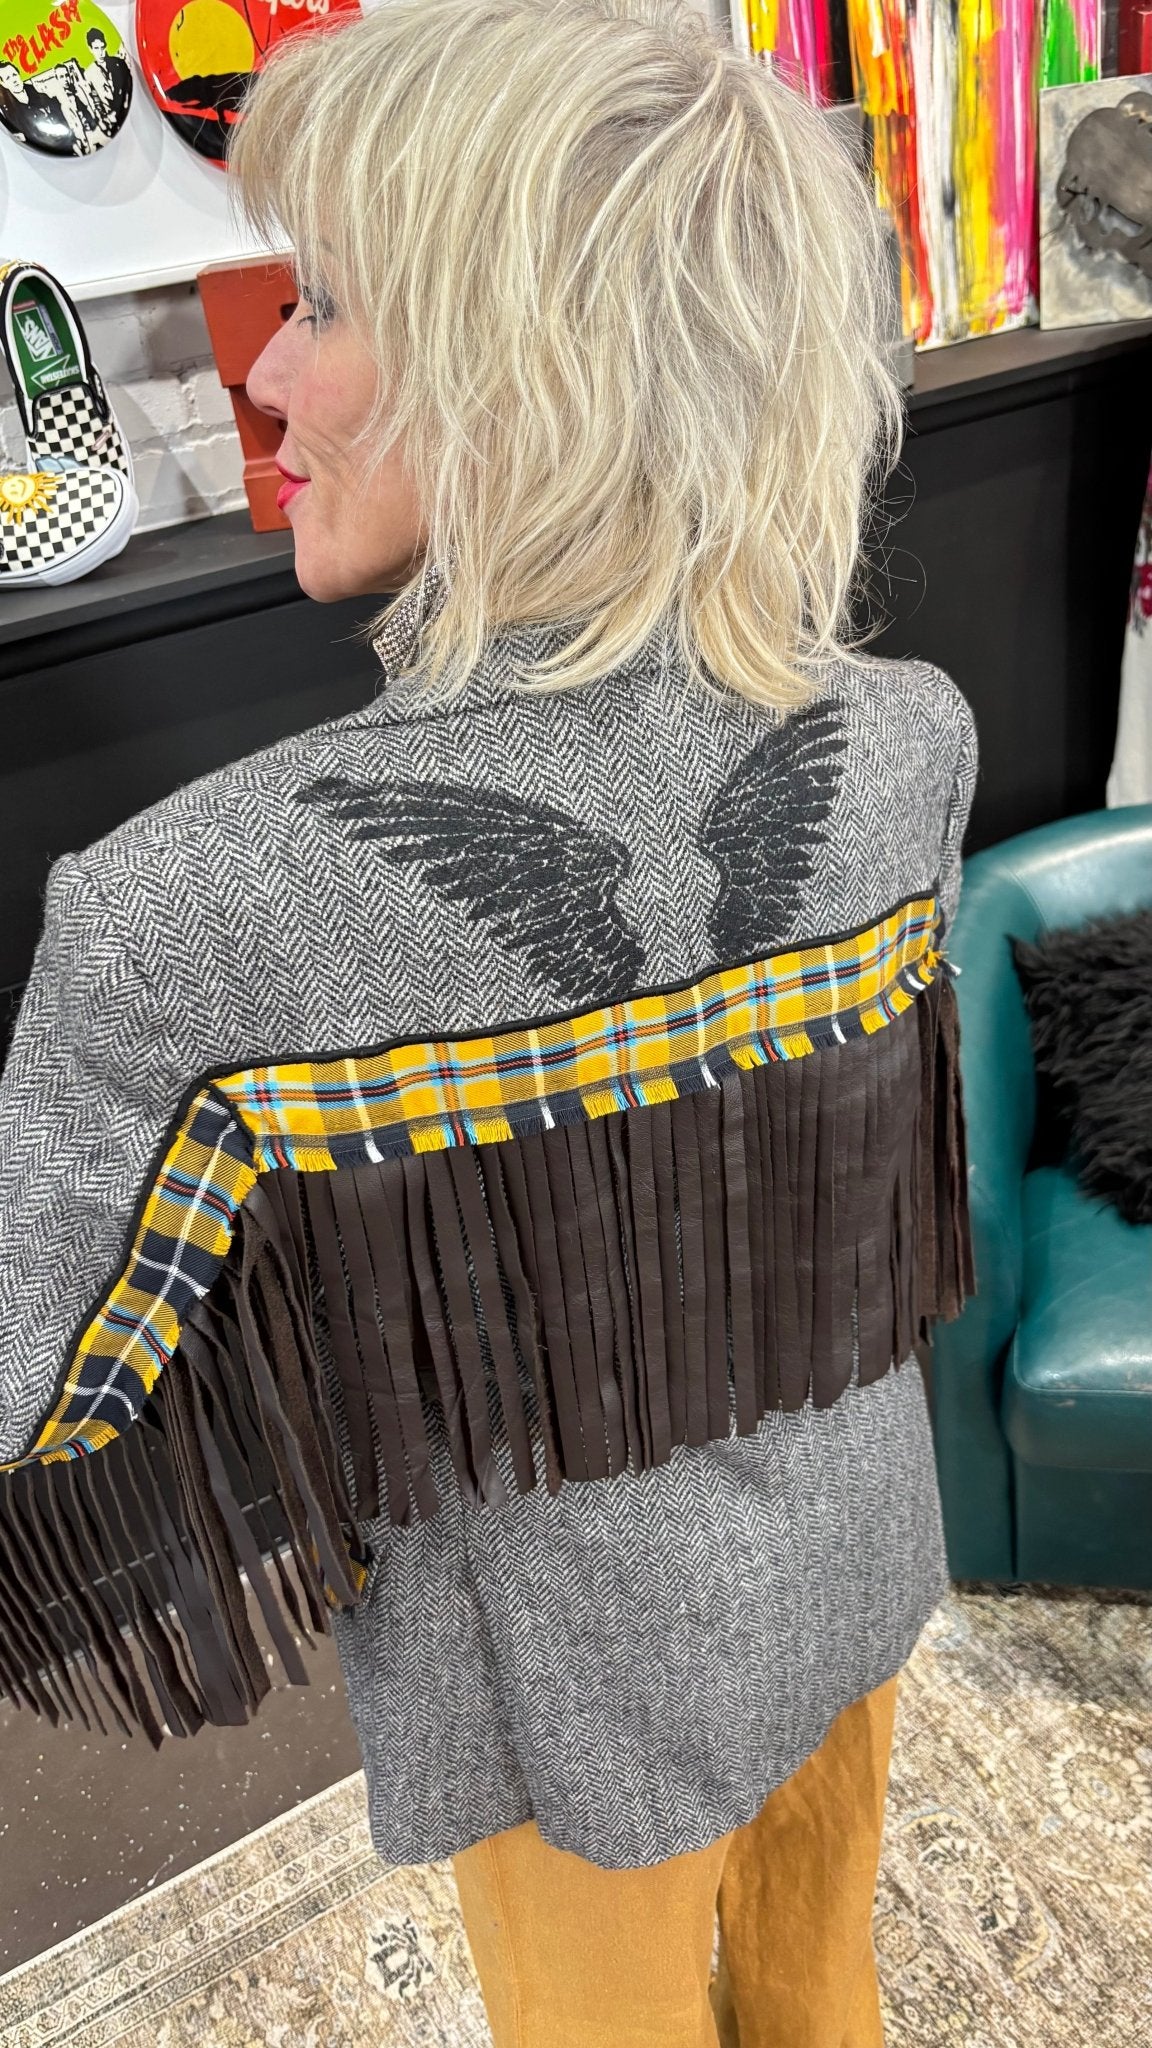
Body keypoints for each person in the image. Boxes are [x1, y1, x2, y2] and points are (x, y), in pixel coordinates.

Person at [0, 2, 977, 2043]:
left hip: (574, 1693)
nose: (265, 370)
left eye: (326, 302)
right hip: (865, 1541)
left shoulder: (184, 911)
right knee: (828, 1999)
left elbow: (36, 1391)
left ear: (531, 365)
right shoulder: (913, 736)